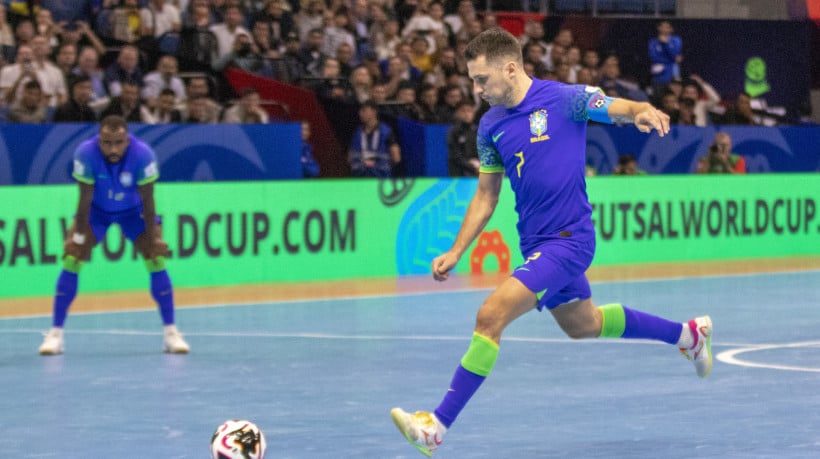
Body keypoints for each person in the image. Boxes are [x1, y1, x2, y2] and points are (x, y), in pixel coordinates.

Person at [390, 28, 713, 457]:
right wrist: (456, 250)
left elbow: (613, 106)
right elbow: (487, 195)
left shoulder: (565, 99)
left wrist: (639, 110)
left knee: (490, 315)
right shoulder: (490, 125)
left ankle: (436, 425)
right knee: (585, 325)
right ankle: (687, 336)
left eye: (482, 79)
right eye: (472, 79)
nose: (476, 88)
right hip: (536, 245)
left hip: (569, 241)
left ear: (510, 68)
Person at [38, 115, 190, 355]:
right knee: (72, 257)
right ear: (99, 139)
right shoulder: (86, 153)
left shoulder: (143, 154)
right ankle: (55, 335)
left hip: (134, 212)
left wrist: (154, 238)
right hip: (97, 212)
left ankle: (171, 333)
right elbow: (84, 198)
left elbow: (148, 200)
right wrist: (77, 238)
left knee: (155, 257)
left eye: (118, 142)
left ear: (127, 139)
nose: (113, 148)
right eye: (107, 142)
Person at [348, 100, 400, 177]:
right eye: (360, 111)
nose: (360, 113)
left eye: (364, 110)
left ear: (374, 112)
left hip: (381, 180)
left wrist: (381, 166)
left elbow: (396, 157)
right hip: (360, 180)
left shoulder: (386, 132)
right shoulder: (357, 132)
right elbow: (350, 157)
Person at [446, 99, 479, 176]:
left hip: (478, 171)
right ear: (457, 113)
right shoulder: (453, 132)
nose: (467, 114)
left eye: (469, 111)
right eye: (463, 111)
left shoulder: (478, 131)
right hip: (460, 173)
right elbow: (455, 156)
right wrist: (472, 166)